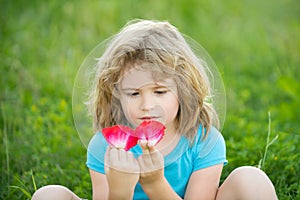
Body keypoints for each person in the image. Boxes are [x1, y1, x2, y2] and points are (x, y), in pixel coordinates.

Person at [32, 19, 278, 200]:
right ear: (116, 95)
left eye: (160, 92)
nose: (147, 106)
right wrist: (120, 190)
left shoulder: (204, 141)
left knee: (251, 179)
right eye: (134, 93)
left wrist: (155, 184)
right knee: (49, 195)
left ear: (184, 90)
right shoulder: (106, 147)